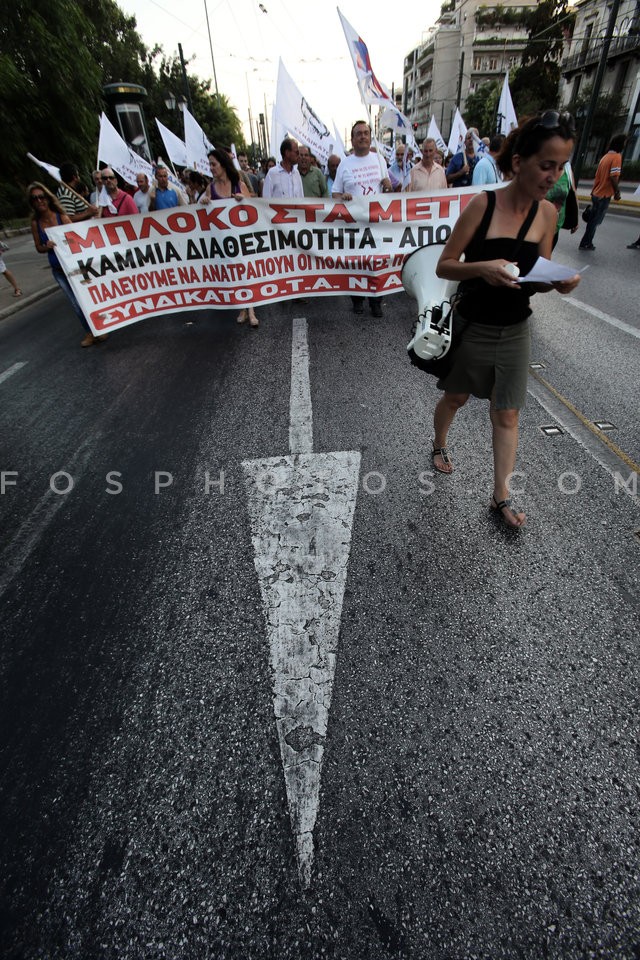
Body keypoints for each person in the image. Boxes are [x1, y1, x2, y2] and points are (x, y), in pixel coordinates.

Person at [431, 110, 580, 529]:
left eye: (562, 166)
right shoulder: (484, 204)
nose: (554, 176)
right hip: (475, 324)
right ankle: (439, 443)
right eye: (546, 165)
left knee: (507, 413)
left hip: (516, 328)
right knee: (456, 398)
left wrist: (559, 284)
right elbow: (444, 265)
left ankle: (500, 497)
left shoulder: (548, 214)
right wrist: (482, 268)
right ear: (519, 162)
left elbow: (538, 276)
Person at [28, 181, 107, 347]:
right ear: (32, 202)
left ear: (48, 198)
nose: (39, 201)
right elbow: (38, 248)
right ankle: (90, 332)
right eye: (35, 199)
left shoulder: (61, 217)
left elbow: (78, 238)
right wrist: (46, 246)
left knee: (86, 298)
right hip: (59, 270)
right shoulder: (36, 224)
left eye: (41, 197)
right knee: (75, 303)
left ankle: (100, 326)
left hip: (76, 268)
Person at [332, 120, 393, 318]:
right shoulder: (345, 164)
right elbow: (335, 195)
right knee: (356, 262)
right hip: (353, 225)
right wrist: (343, 198)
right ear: (353, 139)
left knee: (376, 262)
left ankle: (376, 301)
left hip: (375, 224)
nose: (363, 137)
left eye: (366, 133)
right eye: (359, 134)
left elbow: (389, 192)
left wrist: (388, 184)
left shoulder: (379, 160)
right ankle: (357, 299)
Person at [202, 150, 258, 328]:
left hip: (241, 238)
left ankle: (251, 310)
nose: (211, 168)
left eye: (213, 164)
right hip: (224, 240)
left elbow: (254, 209)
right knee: (234, 274)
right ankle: (242, 308)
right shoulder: (210, 188)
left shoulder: (238, 185)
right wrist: (203, 202)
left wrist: (243, 200)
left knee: (245, 271)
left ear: (223, 165)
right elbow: (203, 215)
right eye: (209, 164)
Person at [579, 134, 626, 251]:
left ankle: (586, 242)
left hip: (596, 193)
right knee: (595, 221)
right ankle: (586, 243)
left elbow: (597, 176)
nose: (625, 145)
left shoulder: (605, 157)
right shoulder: (616, 157)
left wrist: (593, 191)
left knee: (593, 221)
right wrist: (617, 192)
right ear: (620, 144)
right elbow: (614, 177)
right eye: (624, 143)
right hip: (604, 195)